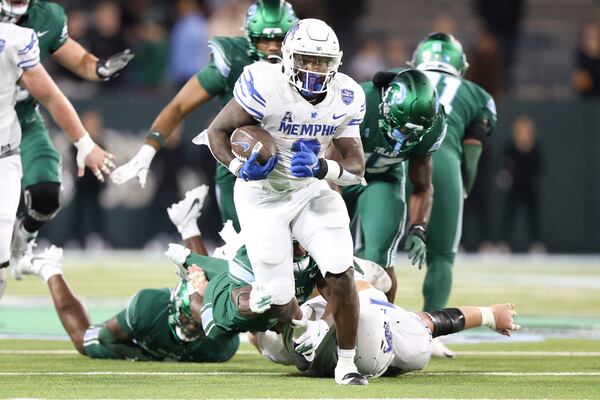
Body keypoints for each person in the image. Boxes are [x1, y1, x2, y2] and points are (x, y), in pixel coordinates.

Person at [204, 18, 369, 385]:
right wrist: (236, 166)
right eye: (307, 60)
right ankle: (302, 328)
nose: (314, 69)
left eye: (322, 62)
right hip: (261, 196)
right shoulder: (265, 83)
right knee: (278, 298)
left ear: (335, 63)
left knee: (342, 272)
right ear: (288, 57)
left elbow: (356, 166)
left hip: (309, 190)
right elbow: (218, 130)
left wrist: (323, 167)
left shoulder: (347, 95)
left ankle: (346, 363)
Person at [111, 0, 298, 233]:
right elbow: (178, 106)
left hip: (293, 167)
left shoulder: (308, 63)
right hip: (240, 166)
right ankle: (191, 239)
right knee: (247, 252)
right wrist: (146, 152)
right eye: (264, 39)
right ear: (250, 36)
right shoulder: (232, 58)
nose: (271, 47)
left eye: (279, 40)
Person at [13, 185, 239, 362]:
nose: (193, 328)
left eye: (199, 326)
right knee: (84, 341)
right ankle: (49, 267)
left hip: (191, 314)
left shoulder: (221, 345)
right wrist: (136, 351)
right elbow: (104, 337)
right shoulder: (147, 310)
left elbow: (213, 311)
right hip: (137, 340)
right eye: (191, 320)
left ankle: (187, 225)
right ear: (177, 305)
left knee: (214, 298)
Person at [3, 0, 134, 274]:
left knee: (47, 193)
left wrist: (97, 68)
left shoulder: (43, 19)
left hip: (22, 118)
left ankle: (22, 238)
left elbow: (55, 88)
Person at [409, 32, 497, 357]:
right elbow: (471, 156)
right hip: (442, 161)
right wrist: (463, 187)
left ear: (418, 58)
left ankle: (359, 317)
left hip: (395, 160)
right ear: (459, 63)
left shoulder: (402, 79)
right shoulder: (477, 94)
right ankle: (430, 332)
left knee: (372, 249)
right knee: (442, 254)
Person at [247, 277, 520, 379]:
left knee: (266, 333)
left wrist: (489, 316)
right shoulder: (411, 344)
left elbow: (437, 321)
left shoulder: (409, 345)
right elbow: (437, 321)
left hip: (335, 313)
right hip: (360, 304)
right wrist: (488, 316)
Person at [341, 68, 447, 302]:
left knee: (379, 260)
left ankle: (384, 328)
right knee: (327, 256)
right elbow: (329, 165)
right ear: (386, 106)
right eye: (401, 127)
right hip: (340, 177)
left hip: (383, 177)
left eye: (412, 133)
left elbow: (422, 184)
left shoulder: (433, 124)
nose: (404, 137)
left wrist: (419, 227)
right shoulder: (360, 102)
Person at [498, 115, 544, 252]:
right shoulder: (510, 147)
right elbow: (503, 165)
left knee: (533, 217)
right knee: (509, 216)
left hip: (529, 187)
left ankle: (536, 244)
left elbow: (541, 167)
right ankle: (504, 243)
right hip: (514, 188)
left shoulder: (535, 148)